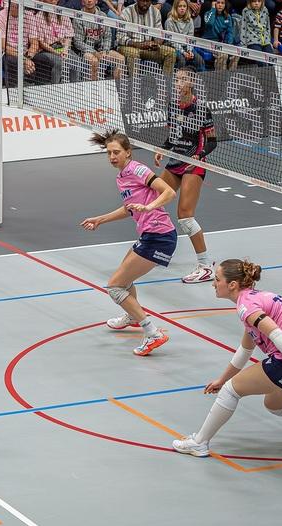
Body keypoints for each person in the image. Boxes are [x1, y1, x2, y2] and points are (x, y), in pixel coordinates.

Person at [172, 259, 282, 457]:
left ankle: (199, 442)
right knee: (274, 404)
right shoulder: (256, 299)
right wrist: (222, 379)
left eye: (217, 279)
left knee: (231, 391)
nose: (213, 283)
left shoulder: (246, 306)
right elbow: (245, 350)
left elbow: (276, 334)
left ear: (232, 285)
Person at [81, 129, 177, 356]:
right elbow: (129, 208)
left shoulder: (137, 169)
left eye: (116, 152)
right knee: (124, 280)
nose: (112, 157)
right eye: (109, 153)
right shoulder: (122, 176)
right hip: (148, 235)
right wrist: (100, 219)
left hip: (159, 236)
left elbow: (169, 192)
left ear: (128, 153)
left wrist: (149, 207)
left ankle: (153, 333)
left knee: (115, 286)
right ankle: (133, 316)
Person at [154, 68, 216, 285]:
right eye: (177, 79)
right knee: (154, 201)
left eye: (182, 79)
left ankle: (206, 266)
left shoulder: (201, 109)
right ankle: (159, 246)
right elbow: (172, 137)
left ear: (191, 82)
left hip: (193, 165)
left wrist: (198, 155)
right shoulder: (172, 106)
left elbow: (212, 141)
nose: (178, 82)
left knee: (185, 217)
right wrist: (162, 149)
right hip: (175, 161)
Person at [116, 0, 176, 76]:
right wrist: (137, 44)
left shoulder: (156, 12)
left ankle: (165, 85)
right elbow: (120, 37)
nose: (145, 3)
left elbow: (159, 34)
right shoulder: (126, 12)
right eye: (142, 1)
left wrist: (156, 43)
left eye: (147, 1)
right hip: (129, 46)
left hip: (148, 47)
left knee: (171, 53)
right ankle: (135, 85)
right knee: (133, 53)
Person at [70, 0, 125, 81]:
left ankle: (117, 87)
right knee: (94, 61)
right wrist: (94, 52)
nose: (89, 1)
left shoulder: (103, 15)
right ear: (82, 2)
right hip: (85, 51)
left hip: (101, 50)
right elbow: (78, 42)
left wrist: (105, 51)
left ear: (96, 1)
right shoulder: (78, 17)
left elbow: (108, 36)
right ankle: (94, 91)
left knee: (121, 59)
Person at [166, 0, 205, 71]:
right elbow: (171, 41)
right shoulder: (169, 21)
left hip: (186, 47)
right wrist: (183, 52)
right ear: (175, 8)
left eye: (184, 6)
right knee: (182, 60)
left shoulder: (190, 20)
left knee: (200, 60)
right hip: (173, 47)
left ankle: (199, 80)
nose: (182, 8)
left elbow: (190, 38)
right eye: (180, 6)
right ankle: (177, 79)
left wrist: (189, 51)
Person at [202, 0, 238, 70]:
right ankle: (221, 75)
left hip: (220, 43)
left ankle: (232, 75)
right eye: (218, 3)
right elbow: (209, 23)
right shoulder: (207, 14)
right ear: (214, 3)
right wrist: (213, 9)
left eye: (222, 3)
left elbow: (229, 33)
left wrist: (229, 45)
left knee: (236, 54)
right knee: (223, 55)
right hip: (207, 43)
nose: (220, 5)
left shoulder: (227, 17)